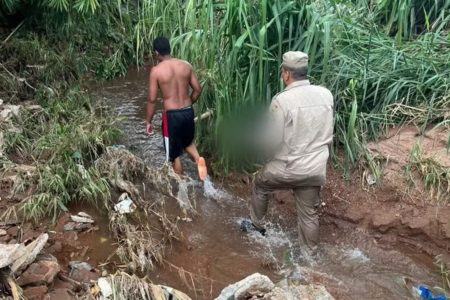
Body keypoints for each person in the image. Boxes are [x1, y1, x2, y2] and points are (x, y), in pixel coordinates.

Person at [245, 51, 334, 251]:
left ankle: (256, 228)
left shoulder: (282, 100)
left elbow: (272, 140)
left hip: (288, 167)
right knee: (309, 214)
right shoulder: (326, 94)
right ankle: (310, 256)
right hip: (315, 170)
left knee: (260, 184)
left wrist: (253, 139)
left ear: (286, 74)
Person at [146, 37, 207, 181]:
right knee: (188, 142)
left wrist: (148, 121)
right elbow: (198, 89)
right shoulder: (186, 65)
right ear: (169, 49)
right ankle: (199, 160)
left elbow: (152, 100)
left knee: (175, 156)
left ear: (156, 53)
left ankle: (181, 189)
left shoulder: (156, 71)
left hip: (172, 116)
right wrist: (188, 104)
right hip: (187, 111)